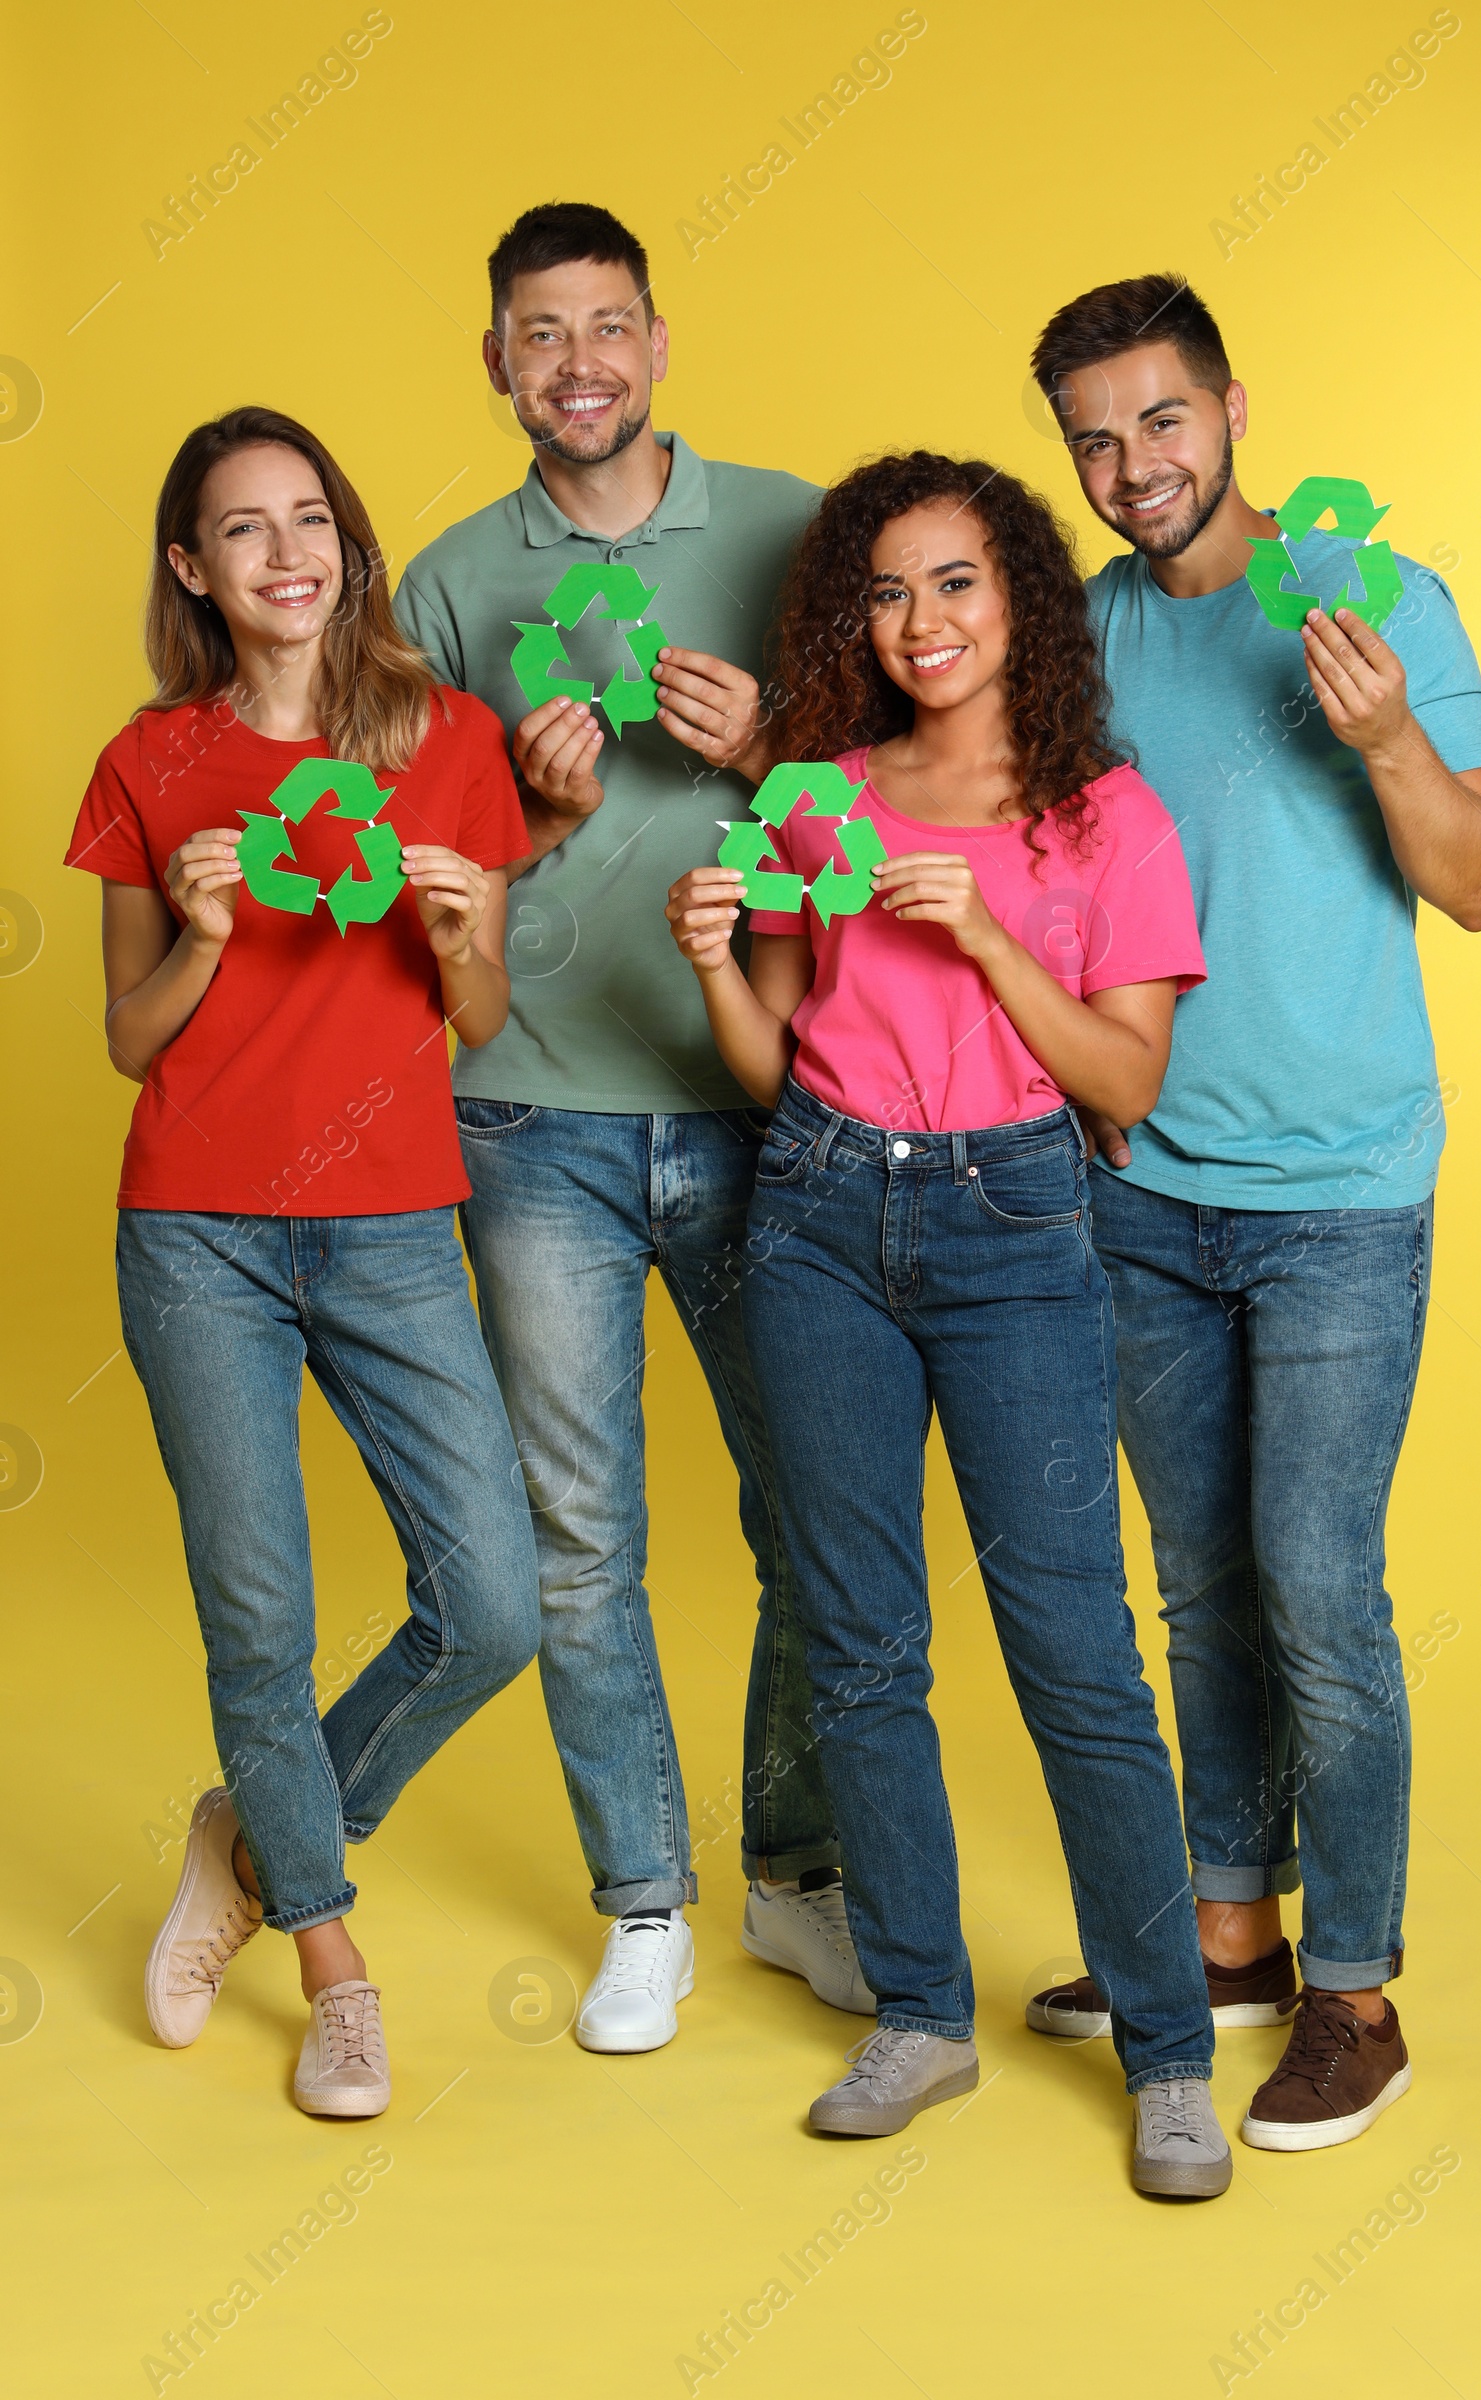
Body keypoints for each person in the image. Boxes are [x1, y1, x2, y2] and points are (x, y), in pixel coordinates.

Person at [665, 451, 1233, 2199]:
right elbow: (765, 1066)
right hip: (823, 1214)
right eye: (891, 592)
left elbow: (1126, 1083)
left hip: (1017, 1222)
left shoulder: (1103, 818)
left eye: (959, 584)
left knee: (1073, 1653)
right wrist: (709, 955)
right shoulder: (814, 799)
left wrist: (990, 937)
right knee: (857, 1637)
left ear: (1024, 605)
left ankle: (1169, 2053)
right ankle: (919, 2008)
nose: (924, 624)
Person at [1024, 275, 1481, 2150]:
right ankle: (1229, 1929)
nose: (1132, 465)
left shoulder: (1374, 600)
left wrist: (1388, 738)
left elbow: (1480, 883)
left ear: (1233, 406)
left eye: (1160, 421)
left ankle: (1357, 1988)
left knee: (1321, 1589)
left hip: (1338, 1196)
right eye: (1093, 438)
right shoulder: (1076, 638)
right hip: (1139, 1184)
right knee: (1203, 1587)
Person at [393, 200, 865, 2054]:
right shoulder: (443, 585)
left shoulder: (795, 531)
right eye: (538, 332)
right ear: (497, 361)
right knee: (579, 1536)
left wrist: (766, 752)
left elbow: (904, 788)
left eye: (609, 326)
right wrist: (523, 810)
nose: (576, 361)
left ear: (658, 342)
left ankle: (793, 1871)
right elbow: (405, 886)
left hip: (774, 1103)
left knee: (814, 1510)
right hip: (533, 1122)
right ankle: (644, 1901)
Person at [67, 406, 542, 2116]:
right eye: (242, 531)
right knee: (256, 1613)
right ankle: (331, 1957)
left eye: (309, 520)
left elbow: (475, 1018)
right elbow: (130, 1041)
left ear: (346, 543)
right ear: (195, 570)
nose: (286, 555)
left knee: (493, 1604)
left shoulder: (451, 742)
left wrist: (458, 931)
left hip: (396, 1221)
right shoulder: (151, 761)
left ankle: (252, 1840)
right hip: (196, 1229)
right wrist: (198, 933)